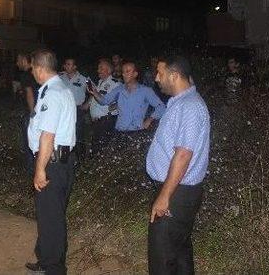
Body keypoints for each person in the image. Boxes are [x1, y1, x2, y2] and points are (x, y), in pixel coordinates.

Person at [146, 55, 210, 275]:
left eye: (160, 73)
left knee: (162, 257)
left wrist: (164, 196)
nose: (156, 78)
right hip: (177, 189)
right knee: (179, 251)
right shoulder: (181, 103)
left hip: (176, 191)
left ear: (174, 76)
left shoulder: (190, 106)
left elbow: (183, 155)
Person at [25, 49, 76, 275]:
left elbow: (48, 135)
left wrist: (40, 170)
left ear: (39, 68)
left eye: (33, 68)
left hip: (52, 164)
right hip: (59, 163)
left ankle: (54, 269)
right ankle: (45, 260)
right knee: (50, 216)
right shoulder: (57, 89)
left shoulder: (53, 93)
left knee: (52, 220)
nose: (33, 73)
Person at [89, 61, 165, 138]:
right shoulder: (119, 89)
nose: (124, 74)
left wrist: (150, 119)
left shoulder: (145, 91)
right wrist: (94, 92)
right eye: (123, 72)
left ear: (135, 74)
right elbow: (104, 101)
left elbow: (161, 107)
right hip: (119, 131)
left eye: (127, 71)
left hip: (136, 132)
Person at [82, 58, 121, 156]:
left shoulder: (115, 83)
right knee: (96, 148)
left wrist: (115, 106)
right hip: (97, 122)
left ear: (109, 70)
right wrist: (87, 104)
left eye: (101, 68)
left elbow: (123, 100)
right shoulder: (100, 82)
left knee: (101, 150)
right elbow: (96, 97)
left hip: (106, 121)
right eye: (98, 68)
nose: (98, 70)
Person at [59, 57, 88, 158]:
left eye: (69, 64)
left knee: (78, 134)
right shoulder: (60, 77)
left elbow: (95, 91)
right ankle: (66, 158)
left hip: (77, 110)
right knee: (64, 133)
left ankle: (81, 159)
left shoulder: (83, 79)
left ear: (75, 66)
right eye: (66, 64)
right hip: (63, 111)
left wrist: (87, 104)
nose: (67, 66)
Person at [17, 53, 39, 174]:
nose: (17, 63)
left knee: (29, 142)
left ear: (25, 60)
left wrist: (32, 113)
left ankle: (31, 170)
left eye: (18, 60)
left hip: (31, 113)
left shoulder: (26, 75)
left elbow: (30, 93)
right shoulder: (35, 73)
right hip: (39, 111)